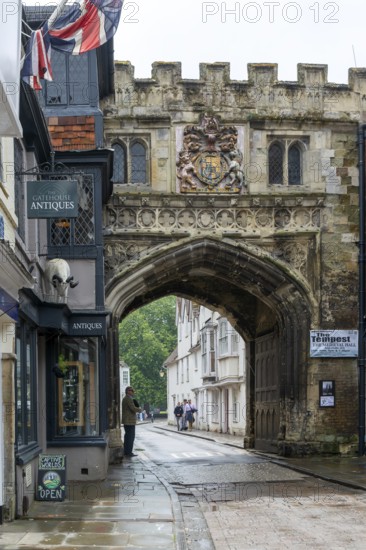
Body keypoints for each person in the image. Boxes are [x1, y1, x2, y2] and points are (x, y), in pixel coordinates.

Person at [122, 386, 141, 457]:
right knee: (130, 437)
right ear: (128, 391)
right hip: (129, 421)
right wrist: (140, 409)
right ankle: (128, 452)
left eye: (133, 390)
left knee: (127, 436)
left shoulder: (126, 399)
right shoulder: (128, 399)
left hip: (127, 421)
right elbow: (133, 408)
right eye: (131, 391)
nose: (133, 392)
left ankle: (126, 451)